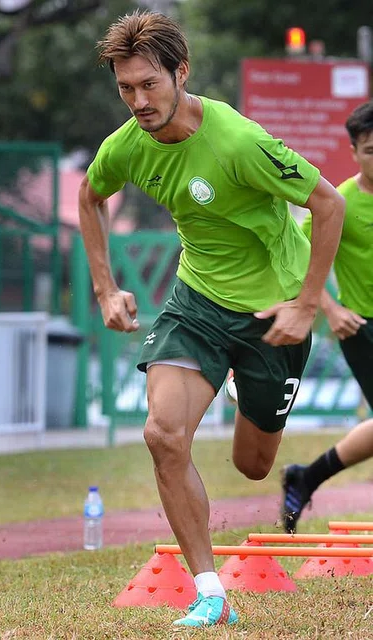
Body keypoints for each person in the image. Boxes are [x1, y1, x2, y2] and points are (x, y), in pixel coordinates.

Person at [79, 10, 345, 628]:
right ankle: (209, 593)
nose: (138, 101)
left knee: (252, 464)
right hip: (196, 303)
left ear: (182, 72)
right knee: (162, 435)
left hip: (271, 313)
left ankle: (233, 381)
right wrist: (105, 288)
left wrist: (307, 305)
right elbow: (91, 197)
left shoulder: (237, 141)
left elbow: (328, 203)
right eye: (125, 88)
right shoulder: (127, 146)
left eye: (149, 84)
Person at [278, 101, 373, 534]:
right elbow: (298, 256)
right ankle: (307, 476)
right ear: (353, 150)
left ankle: (307, 476)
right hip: (363, 330)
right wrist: (331, 309)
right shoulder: (340, 202)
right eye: (371, 149)